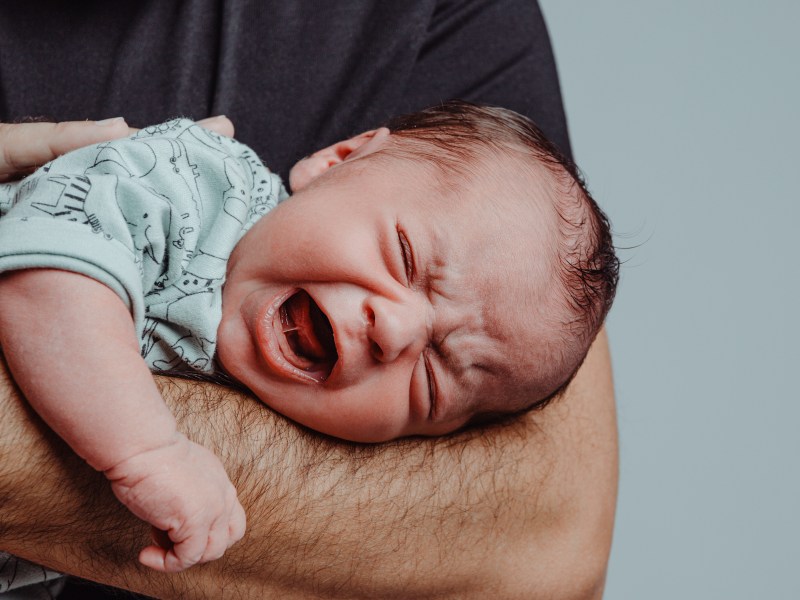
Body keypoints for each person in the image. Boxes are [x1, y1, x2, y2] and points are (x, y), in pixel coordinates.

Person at [0, 2, 618, 598]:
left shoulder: (459, 20)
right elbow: (44, 286)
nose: (395, 331)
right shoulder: (198, 185)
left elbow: (554, 554)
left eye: (431, 380)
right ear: (335, 162)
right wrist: (147, 452)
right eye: (404, 255)